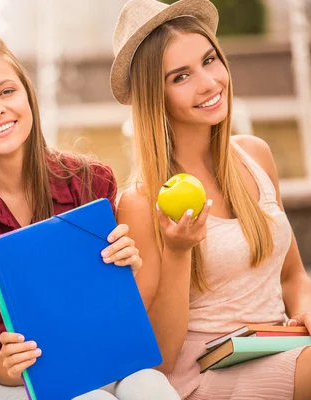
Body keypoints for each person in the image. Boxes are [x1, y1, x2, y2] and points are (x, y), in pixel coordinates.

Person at [0, 34, 179, 400]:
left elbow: (110, 314)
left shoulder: (91, 182)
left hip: (91, 353)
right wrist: (10, 364)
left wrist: (125, 269)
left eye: (7, 91)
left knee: (150, 386)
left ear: (29, 97)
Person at [111, 0, 311, 399]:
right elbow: (158, 360)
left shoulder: (255, 155)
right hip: (206, 371)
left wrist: (305, 308)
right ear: (156, 96)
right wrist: (178, 250)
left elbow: (292, 277)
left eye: (209, 60)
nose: (208, 82)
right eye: (181, 76)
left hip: (278, 345)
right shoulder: (141, 200)